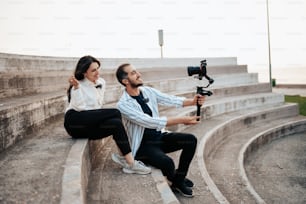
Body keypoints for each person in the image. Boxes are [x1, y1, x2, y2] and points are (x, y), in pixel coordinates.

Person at [114, 63, 205, 197]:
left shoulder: (147, 91)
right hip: (143, 146)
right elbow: (149, 121)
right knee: (167, 162)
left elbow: (169, 99)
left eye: (136, 71)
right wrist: (181, 119)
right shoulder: (123, 104)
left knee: (191, 140)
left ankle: (178, 180)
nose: (139, 74)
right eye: (133, 73)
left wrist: (192, 101)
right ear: (125, 81)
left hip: (159, 137)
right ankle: (177, 180)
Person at [64, 55, 151, 175]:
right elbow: (80, 108)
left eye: (98, 68)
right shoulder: (78, 85)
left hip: (89, 123)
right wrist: (77, 87)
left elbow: (97, 108)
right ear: (84, 73)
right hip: (75, 121)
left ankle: (129, 162)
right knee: (115, 112)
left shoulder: (101, 83)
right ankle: (128, 159)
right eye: (93, 70)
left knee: (115, 124)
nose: (97, 72)